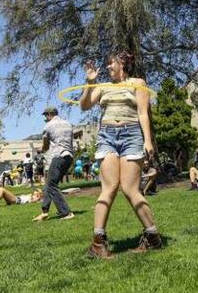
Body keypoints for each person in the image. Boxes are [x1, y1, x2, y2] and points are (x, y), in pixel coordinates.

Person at [80, 52, 163, 258]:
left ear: (123, 63)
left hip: (132, 134)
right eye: (107, 64)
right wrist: (89, 82)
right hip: (107, 135)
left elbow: (143, 112)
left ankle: (153, 236)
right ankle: (98, 243)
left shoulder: (137, 82)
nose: (108, 67)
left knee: (129, 188)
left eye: (111, 63)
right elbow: (84, 105)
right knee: (109, 188)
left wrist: (148, 140)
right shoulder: (102, 86)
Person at [34, 106, 76, 222]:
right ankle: (44, 212)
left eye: (45, 116)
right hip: (69, 157)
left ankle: (66, 212)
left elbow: (46, 146)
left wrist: (40, 149)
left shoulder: (48, 126)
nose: (45, 118)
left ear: (49, 114)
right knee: (49, 184)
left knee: (51, 185)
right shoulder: (68, 124)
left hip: (59, 157)